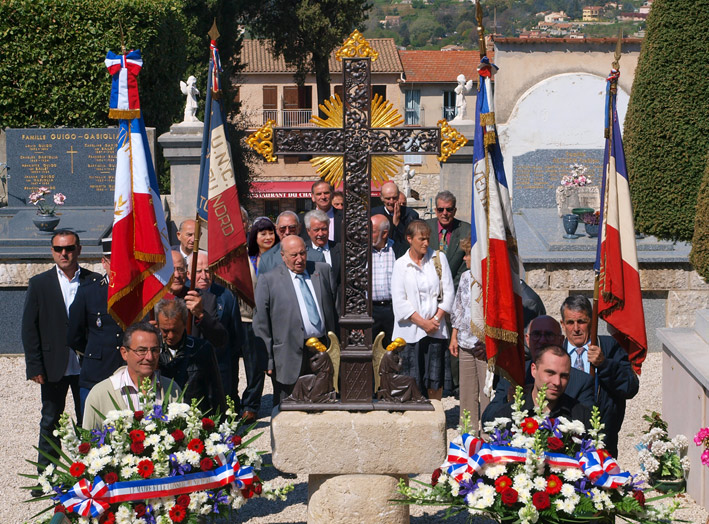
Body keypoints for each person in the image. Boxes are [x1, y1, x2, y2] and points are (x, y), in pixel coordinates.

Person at [23, 230, 98, 481]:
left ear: (79, 249)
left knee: (87, 420)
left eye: (69, 248)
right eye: (58, 249)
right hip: (53, 365)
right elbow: (29, 328)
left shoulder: (95, 281)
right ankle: (47, 477)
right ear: (52, 251)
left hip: (87, 365)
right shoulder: (39, 284)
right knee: (50, 420)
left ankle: (89, 473)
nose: (64, 254)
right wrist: (35, 366)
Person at [253, 236, 338, 406]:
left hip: (321, 349)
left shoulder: (322, 271)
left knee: (323, 402)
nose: (299, 259)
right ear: (283, 256)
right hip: (288, 353)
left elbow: (335, 307)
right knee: (288, 405)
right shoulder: (269, 280)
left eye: (302, 253)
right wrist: (268, 359)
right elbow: (261, 323)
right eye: (294, 255)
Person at [561, 295, 639, 457]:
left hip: (603, 440)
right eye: (570, 322)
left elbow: (630, 387)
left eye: (581, 321)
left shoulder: (610, 347)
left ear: (592, 321)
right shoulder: (555, 352)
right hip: (563, 441)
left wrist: (605, 364)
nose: (576, 328)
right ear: (563, 324)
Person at [482, 314, 595, 424]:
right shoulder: (512, 374)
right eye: (536, 334)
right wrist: (511, 402)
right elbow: (488, 419)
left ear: (561, 340)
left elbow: (588, 424)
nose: (542, 341)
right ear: (527, 339)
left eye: (549, 335)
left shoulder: (581, 381)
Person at [194, 251, 263, 423]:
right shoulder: (183, 295)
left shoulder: (226, 296)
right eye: (198, 271)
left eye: (208, 270)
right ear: (189, 273)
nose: (204, 276)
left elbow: (234, 336)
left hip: (221, 366)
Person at [391, 220, 454, 400]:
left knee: (435, 380)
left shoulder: (438, 259)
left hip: (436, 331)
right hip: (410, 334)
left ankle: (435, 416)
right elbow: (399, 301)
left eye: (428, 239)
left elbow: (448, 291)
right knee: (411, 381)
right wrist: (423, 323)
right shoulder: (400, 265)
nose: (426, 243)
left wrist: (435, 320)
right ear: (409, 239)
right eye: (422, 239)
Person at [82, 322, 180, 430]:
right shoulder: (100, 394)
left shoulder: (172, 390)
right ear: (124, 353)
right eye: (141, 350)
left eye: (155, 350)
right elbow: (89, 441)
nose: (149, 357)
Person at [67, 237, 124, 416]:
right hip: (98, 371)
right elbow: (74, 335)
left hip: (129, 370)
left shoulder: (137, 292)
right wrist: (93, 350)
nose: (117, 265)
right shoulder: (89, 291)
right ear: (103, 262)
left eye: (122, 260)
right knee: (93, 429)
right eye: (112, 261)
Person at [426, 190, 471, 396]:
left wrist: (448, 291)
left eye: (449, 209)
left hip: (456, 292)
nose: (445, 213)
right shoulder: (425, 228)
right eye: (441, 209)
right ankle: (432, 382)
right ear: (435, 209)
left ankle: (456, 384)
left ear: (455, 209)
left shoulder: (466, 230)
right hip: (428, 295)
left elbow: (465, 266)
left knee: (455, 338)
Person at [156, 298, 226, 414]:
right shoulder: (151, 351)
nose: (171, 336)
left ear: (184, 324)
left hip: (194, 417)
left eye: (175, 330)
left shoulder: (201, 349)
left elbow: (215, 391)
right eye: (165, 331)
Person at [494, 345, 591, 428]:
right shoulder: (507, 416)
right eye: (550, 373)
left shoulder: (582, 418)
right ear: (534, 370)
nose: (557, 382)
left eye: (563, 376)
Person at [449, 237, 488, 434]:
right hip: (465, 340)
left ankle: (489, 430)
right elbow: (458, 307)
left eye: (468, 254)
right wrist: (454, 336)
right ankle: (468, 430)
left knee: (486, 390)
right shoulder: (465, 277)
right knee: (467, 390)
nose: (465, 258)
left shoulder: (490, 279)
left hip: (483, 345)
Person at [168, 250, 228, 350]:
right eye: (171, 269)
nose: (177, 275)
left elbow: (220, 339)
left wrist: (201, 315)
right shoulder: (151, 302)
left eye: (180, 269)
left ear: (187, 273)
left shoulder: (204, 299)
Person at [371, 215, 397, 347]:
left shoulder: (397, 249)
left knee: (393, 350)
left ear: (385, 233)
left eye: (373, 231)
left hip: (393, 310)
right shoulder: (361, 252)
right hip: (371, 310)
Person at [372, 181, 419, 248]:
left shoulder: (411, 215)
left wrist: (398, 224)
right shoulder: (374, 214)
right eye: (388, 198)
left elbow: (413, 240)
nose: (391, 202)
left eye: (394, 198)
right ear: (382, 198)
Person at [304, 209, 341, 290]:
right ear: (308, 231)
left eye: (324, 229)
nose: (320, 234)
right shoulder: (303, 250)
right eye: (316, 230)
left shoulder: (339, 249)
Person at [259, 210, 301, 275]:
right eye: (282, 229)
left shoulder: (316, 256)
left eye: (292, 228)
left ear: (299, 228)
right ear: (276, 229)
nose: (287, 232)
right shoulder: (266, 259)